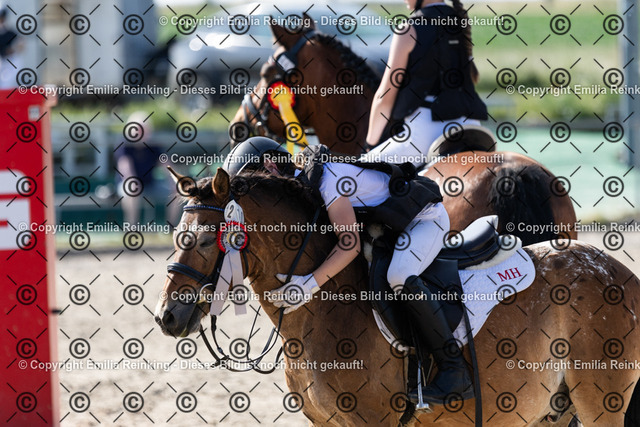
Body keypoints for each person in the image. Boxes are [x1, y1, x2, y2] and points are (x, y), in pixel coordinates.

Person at [224, 137, 473, 405]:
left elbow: (349, 244)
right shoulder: (303, 186)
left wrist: (308, 285)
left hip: (425, 220)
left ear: (271, 166)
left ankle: (454, 369)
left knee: (399, 276)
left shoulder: (328, 179)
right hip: (387, 228)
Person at [361, 0, 487, 166]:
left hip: (426, 132)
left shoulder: (409, 29)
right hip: (472, 127)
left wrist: (370, 144)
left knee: (356, 171)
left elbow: (384, 98)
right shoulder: (460, 20)